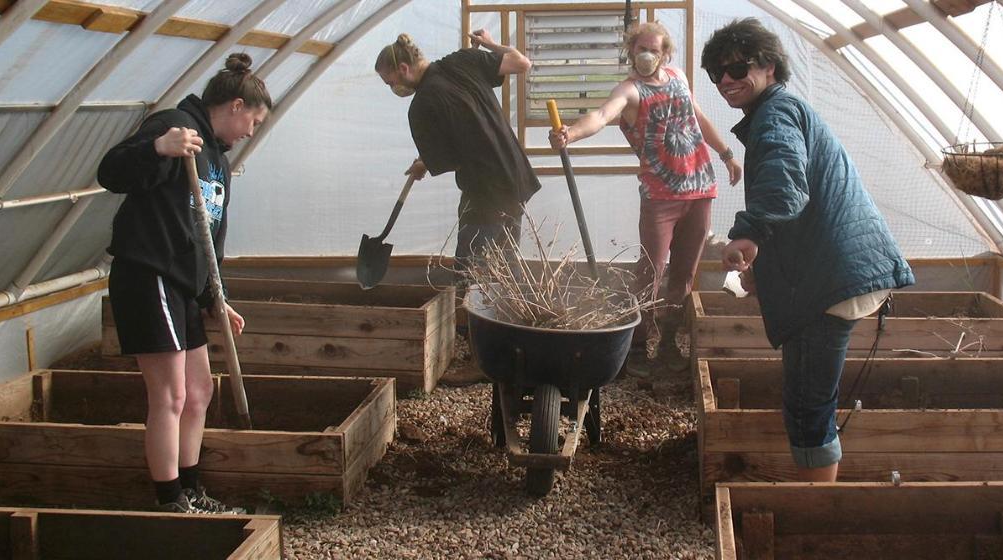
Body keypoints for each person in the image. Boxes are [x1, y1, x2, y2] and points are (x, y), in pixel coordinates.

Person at [701, 19, 915, 482]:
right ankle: (815, 492)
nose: (726, 81)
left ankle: (814, 508)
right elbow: (798, 205)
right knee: (809, 394)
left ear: (770, 66)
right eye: (716, 75)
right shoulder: (777, 112)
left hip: (831, 280)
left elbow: (784, 189)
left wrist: (749, 232)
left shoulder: (776, 115)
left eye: (737, 67)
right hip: (829, 272)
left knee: (808, 404)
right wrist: (764, 265)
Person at [98, 53, 271, 514]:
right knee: (171, 394)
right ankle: (169, 499)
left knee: (199, 392)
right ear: (236, 105)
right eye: (253, 121)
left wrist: (217, 299)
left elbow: (211, 235)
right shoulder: (175, 126)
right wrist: (158, 149)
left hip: (182, 284)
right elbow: (110, 172)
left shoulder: (215, 156)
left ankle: (192, 489)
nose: (251, 132)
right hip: (148, 274)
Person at [549, 22, 741, 376]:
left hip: (700, 188)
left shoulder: (679, 78)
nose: (647, 55)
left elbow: (698, 118)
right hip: (660, 195)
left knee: (684, 274)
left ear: (665, 53)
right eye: (640, 49)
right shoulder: (630, 91)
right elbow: (603, 115)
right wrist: (570, 133)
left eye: (654, 49)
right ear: (631, 51)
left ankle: (668, 346)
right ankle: (635, 348)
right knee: (649, 271)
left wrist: (727, 153)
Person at [375, 30, 540, 274]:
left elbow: (448, 160)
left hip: (485, 190)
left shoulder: (421, 107)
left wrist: (425, 164)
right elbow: (521, 62)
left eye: (390, 82)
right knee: (505, 267)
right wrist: (491, 44)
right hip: (516, 177)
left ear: (403, 68)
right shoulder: (464, 60)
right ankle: (513, 309)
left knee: (470, 270)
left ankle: (467, 310)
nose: (393, 88)